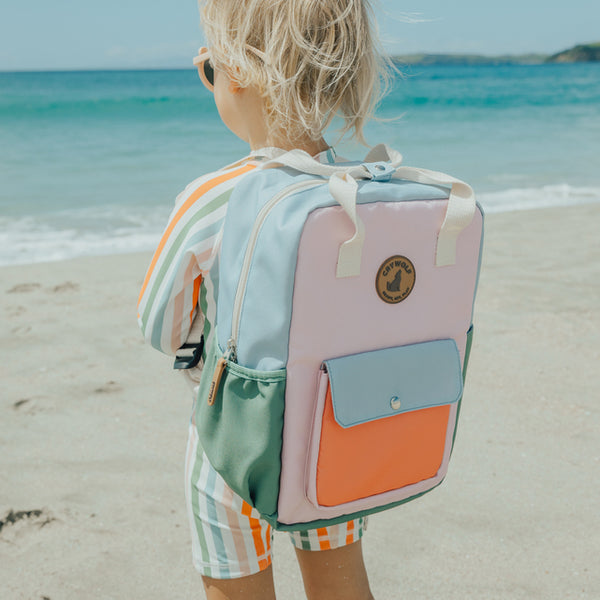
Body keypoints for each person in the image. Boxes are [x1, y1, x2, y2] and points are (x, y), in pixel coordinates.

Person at [137, 1, 393, 598]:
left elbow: (160, 326)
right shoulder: (364, 191)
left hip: (232, 433)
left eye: (208, 67)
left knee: (237, 583)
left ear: (241, 72)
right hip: (334, 423)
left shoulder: (213, 198)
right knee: (341, 582)